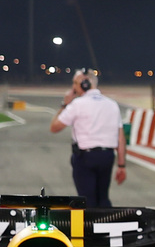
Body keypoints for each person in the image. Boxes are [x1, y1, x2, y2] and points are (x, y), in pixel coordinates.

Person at [49, 71, 127, 207]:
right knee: (103, 198)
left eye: (75, 83)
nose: (73, 88)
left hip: (85, 157)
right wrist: (121, 165)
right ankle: (106, 226)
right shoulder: (112, 104)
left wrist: (64, 104)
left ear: (84, 84)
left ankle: (89, 228)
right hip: (107, 156)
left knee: (87, 200)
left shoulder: (78, 104)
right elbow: (120, 137)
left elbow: (54, 127)